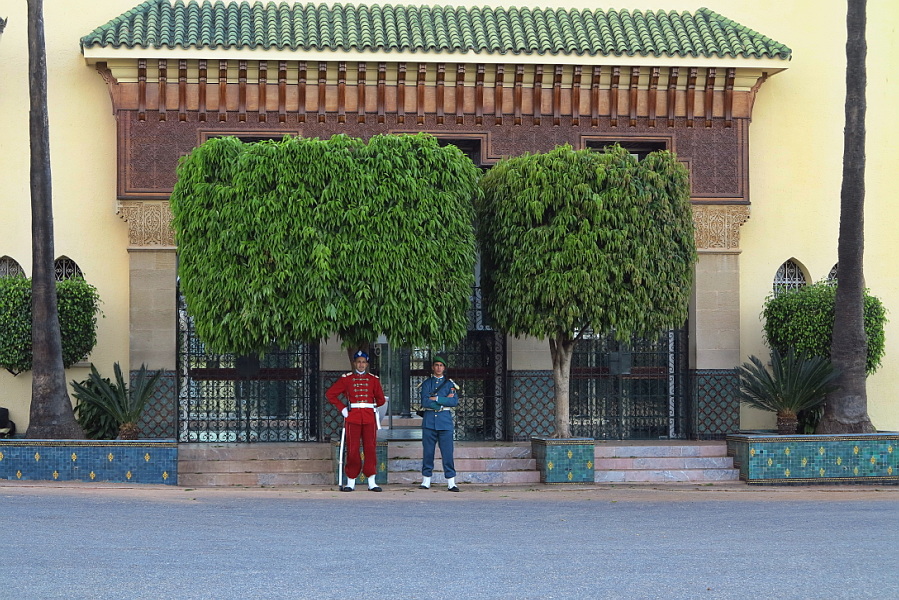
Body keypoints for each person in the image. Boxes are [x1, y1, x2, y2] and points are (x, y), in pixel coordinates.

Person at [326, 350, 386, 492]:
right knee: (352, 449)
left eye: (363, 362)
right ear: (354, 363)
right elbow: (330, 394)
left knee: (370, 448)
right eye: (358, 362)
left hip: (369, 417)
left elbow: (381, 400)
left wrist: (371, 406)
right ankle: (351, 481)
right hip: (352, 417)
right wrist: (342, 408)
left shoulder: (373, 379)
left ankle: (372, 481)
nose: (361, 365)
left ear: (367, 364)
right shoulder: (347, 379)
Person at [418, 356, 460, 492]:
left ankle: (451, 482)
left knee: (447, 453)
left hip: (445, 422)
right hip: (429, 421)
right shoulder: (427, 383)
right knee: (428, 452)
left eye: (441, 365)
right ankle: (426, 480)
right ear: (432, 367)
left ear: (444, 368)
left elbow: (454, 402)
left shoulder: (449, 384)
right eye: (436, 365)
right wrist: (443, 401)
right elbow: (425, 402)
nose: (438, 368)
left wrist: (436, 398)